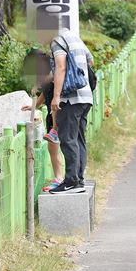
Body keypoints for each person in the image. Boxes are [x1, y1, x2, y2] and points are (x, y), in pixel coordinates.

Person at [48, 28, 94, 194]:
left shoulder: (57, 40)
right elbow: (90, 61)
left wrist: (56, 96)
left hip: (71, 98)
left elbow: (60, 66)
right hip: (85, 96)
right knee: (79, 139)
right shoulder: (74, 38)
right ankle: (78, 179)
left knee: (68, 139)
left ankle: (71, 182)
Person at [22, 72, 63, 192]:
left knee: (58, 146)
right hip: (52, 114)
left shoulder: (55, 69)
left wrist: (37, 85)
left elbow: (50, 81)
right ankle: (59, 177)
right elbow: (45, 93)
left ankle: (62, 178)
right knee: (53, 147)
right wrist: (33, 106)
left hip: (58, 112)